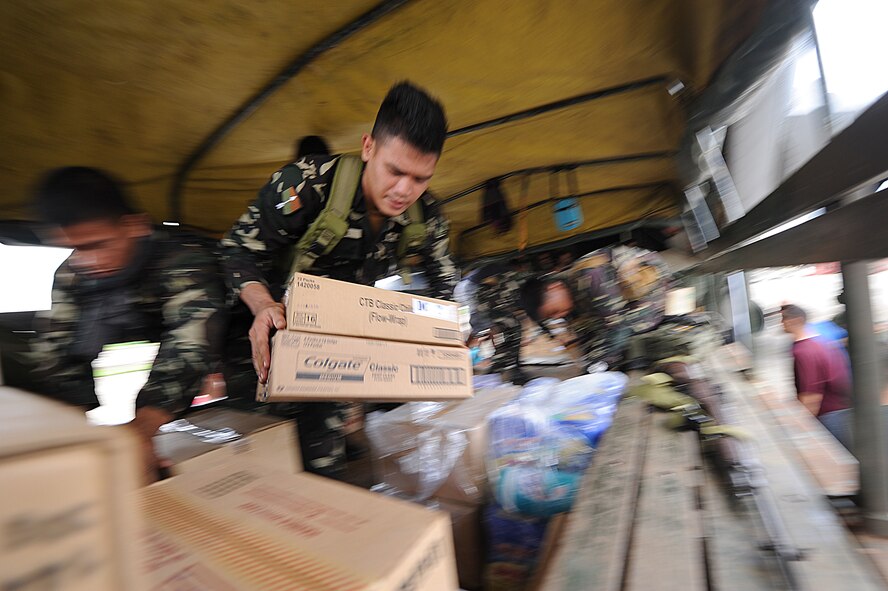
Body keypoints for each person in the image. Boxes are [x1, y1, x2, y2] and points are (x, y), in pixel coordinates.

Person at [220, 81, 457, 477]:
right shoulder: (306, 183)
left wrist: (443, 336)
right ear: (368, 147)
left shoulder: (426, 217)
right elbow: (237, 250)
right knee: (261, 469)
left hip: (329, 353)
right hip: (261, 346)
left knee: (325, 471)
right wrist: (262, 305)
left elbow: (444, 283)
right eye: (395, 171)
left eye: (421, 178)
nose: (404, 190)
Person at [19, 166, 226, 481]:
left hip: (235, 334)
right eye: (73, 248)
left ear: (134, 226)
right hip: (159, 331)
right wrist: (76, 432)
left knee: (242, 417)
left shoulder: (182, 259)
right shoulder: (72, 274)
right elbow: (54, 354)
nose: (86, 261)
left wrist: (141, 429)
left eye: (98, 244)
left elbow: (190, 346)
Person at [517, 245, 671, 371]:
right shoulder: (567, 294)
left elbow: (618, 327)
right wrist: (588, 360)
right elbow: (584, 336)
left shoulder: (592, 276)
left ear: (554, 288)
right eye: (552, 316)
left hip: (657, 288)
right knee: (595, 339)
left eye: (554, 312)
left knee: (634, 330)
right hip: (620, 303)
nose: (557, 316)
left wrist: (600, 365)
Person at [780, 304, 850, 419]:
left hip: (829, 416)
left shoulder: (803, 351)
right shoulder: (820, 342)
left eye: (784, 318)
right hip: (841, 411)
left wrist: (802, 423)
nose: (781, 323)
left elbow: (811, 396)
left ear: (796, 320)